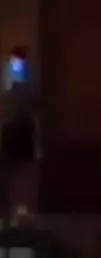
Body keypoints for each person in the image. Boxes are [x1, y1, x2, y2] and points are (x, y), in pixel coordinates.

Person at [1, 45, 38, 227]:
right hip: (15, 125)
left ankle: (20, 209)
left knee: (21, 169)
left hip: (20, 125)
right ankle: (15, 210)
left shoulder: (24, 73)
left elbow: (24, 97)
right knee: (14, 169)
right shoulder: (12, 72)